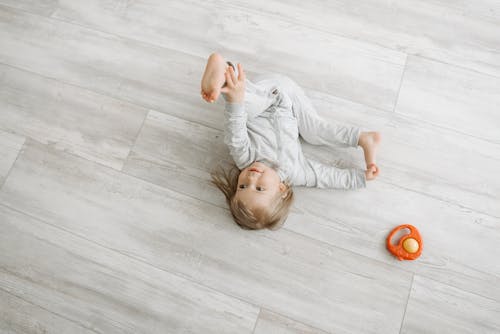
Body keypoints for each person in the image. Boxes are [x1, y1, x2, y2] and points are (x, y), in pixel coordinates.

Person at [201, 53, 381, 230]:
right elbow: (326, 177)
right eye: (260, 188)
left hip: (266, 93)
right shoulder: (296, 172)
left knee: (245, 108)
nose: (252, 177)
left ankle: (224, 74)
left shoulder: (245, 158)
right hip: (289, 99)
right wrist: (359, 178)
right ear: (281, 189)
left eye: (243, 186)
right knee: (314, 131)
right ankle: (362, 137)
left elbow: (235, 131)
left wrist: (236, 102)